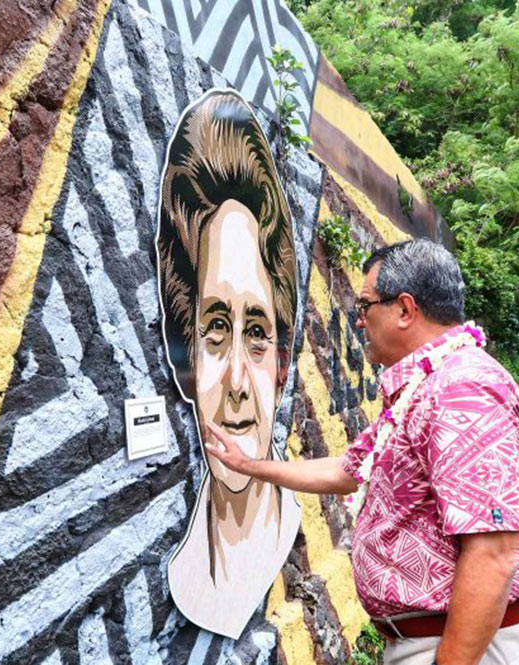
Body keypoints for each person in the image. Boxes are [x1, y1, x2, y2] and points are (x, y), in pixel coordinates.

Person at [205, 239, 519, 664]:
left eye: (365, 306)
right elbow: (348, 469)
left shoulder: (460, 391)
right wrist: (250, 465)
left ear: (405, 310)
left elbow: (493, 551)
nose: (358, 321)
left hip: (470, 647)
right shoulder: (428, 387)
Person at [156, 89, 301, 638]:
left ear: (283, 362)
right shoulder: (186, 572)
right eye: (216, 329)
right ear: (184, 355)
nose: (238, 383)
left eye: (258, 333)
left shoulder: (290, 523)